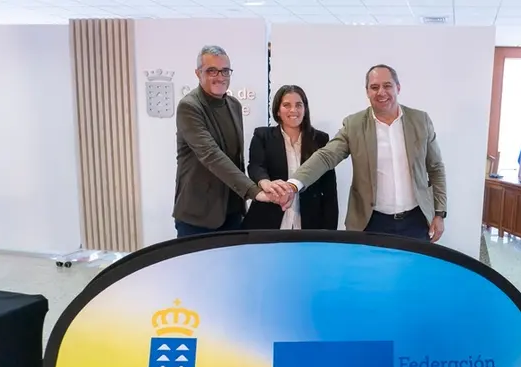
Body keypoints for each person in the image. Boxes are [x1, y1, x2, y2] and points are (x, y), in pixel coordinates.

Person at [268, 64, 447, 242]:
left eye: (387, 86)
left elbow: (436, 168)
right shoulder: (354, 125)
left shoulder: (420, 120)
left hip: (415, 222)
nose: (381, 92)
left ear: (398, 88)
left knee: (413, 271)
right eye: (374, 87)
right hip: (371, 223)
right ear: (367, 92)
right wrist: (293, 185)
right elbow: (326, 156)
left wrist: (439, 213)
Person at [172, 45, 277, 238]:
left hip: (232, 213)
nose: (220, 76)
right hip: (198, 217)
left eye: (225, 70)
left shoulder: (234, 105)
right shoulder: (189, 107)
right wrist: (253, 191)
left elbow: (235, 158)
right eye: (212, 70)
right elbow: (211, 155)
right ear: (198, 73)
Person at [241, 85, 338, 230]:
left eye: (299, 105)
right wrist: (266, 183)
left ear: (305, 109)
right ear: (278, 111)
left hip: (309, 222)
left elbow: (329, 187)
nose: (294, 110)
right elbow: (255, 166)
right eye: (287, 105)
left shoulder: (320, 139)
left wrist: (330, 231)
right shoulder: (263, 136)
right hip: (267, 219)